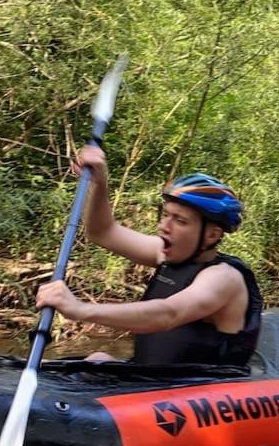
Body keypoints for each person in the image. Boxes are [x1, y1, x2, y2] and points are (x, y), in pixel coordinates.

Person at [35, 145, 263, 365]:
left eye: (180, 221)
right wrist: (99, 183)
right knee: (98, 358)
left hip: (198, 393)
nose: (164, 226)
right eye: (166, 215)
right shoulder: (165, 254)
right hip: (153, 383)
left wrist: (81, 309)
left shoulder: (225, 278)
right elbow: (102, 232)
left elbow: (168, 314)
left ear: (212, 235)